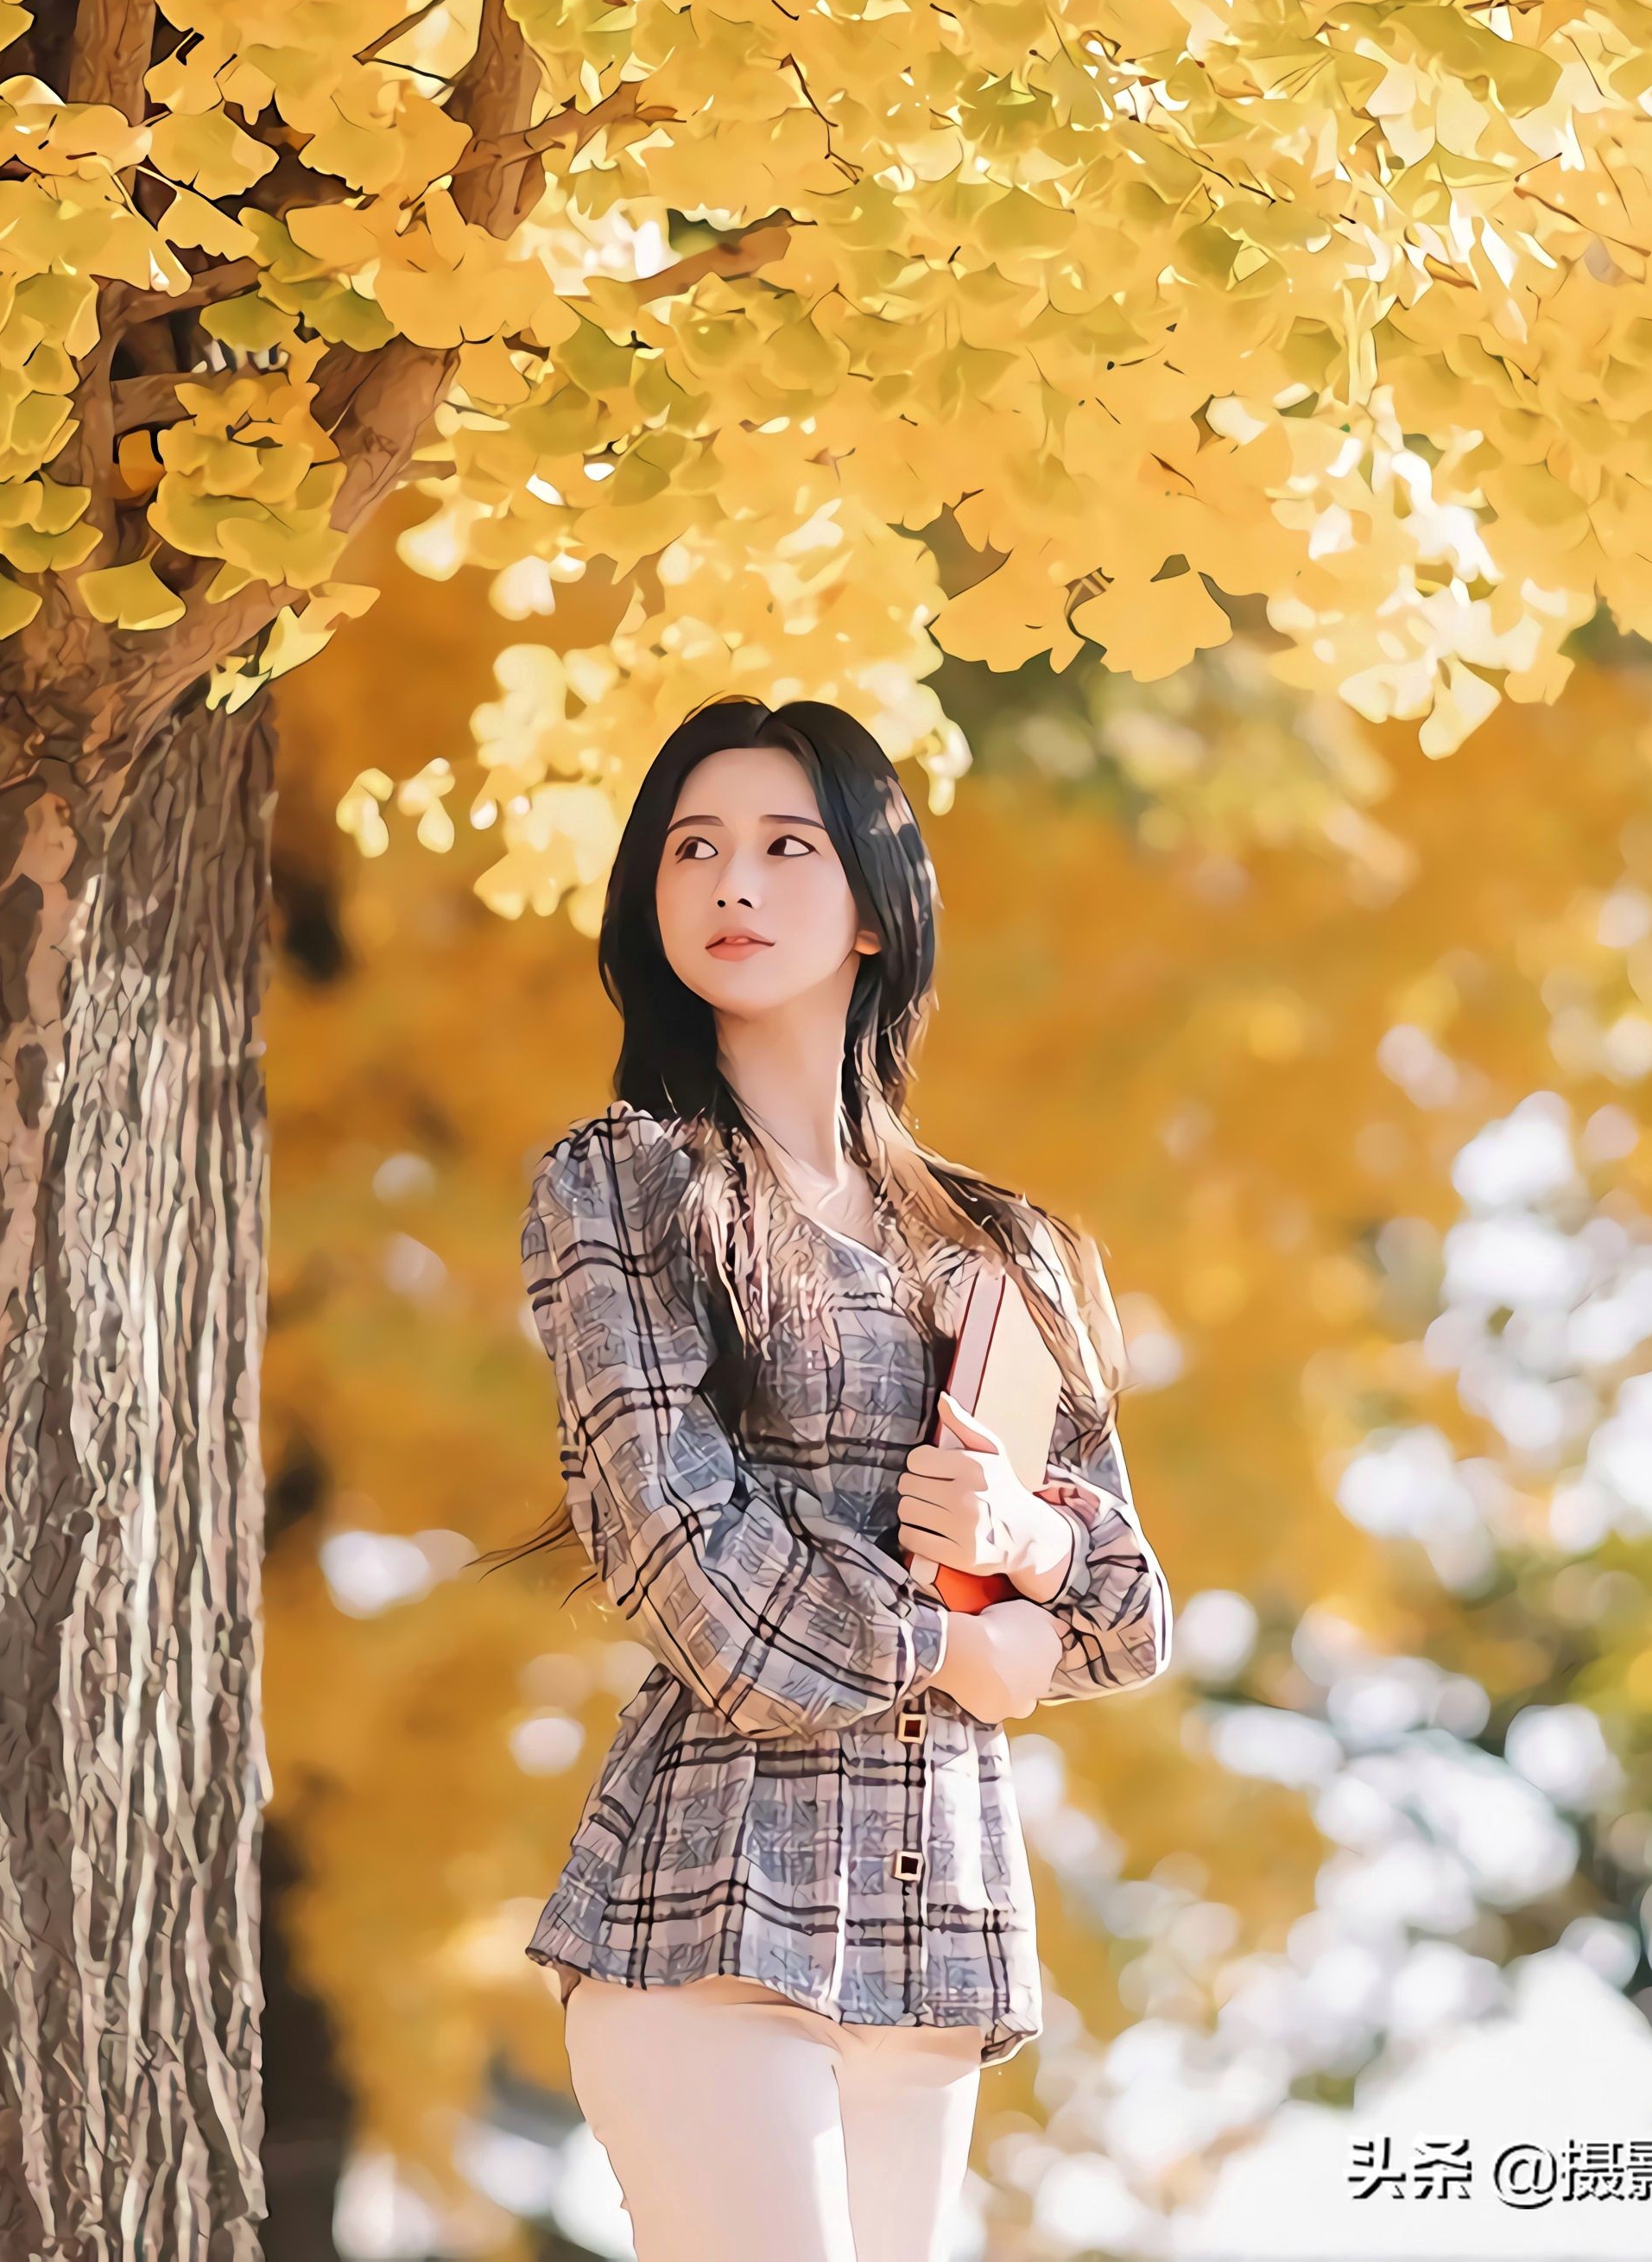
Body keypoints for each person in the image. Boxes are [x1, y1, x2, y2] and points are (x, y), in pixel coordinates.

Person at [516, 694, 1174, 2262]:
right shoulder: (625, 1181)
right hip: (709, 1917)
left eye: (783, 846)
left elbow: (1135, 1613)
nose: (731, 883)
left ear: (876, 912)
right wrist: (967, 1645)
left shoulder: (999, 1250)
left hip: (936, 1936)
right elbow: (702, 1576)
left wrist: (1030, 1538)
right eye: (694, 848)